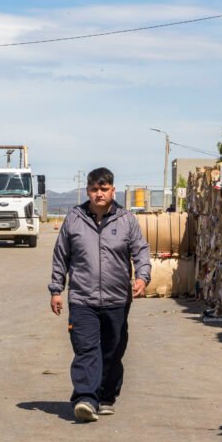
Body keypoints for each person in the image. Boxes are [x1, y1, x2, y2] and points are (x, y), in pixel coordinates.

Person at [48, 167, 151, 423]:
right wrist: (56, 289)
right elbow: (61, 255)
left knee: (113, 350)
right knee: (86, 348)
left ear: (113, 190)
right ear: (88, 191)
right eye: (94, 189)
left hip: (117, 298)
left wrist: (142, 276)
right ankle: (85, 398)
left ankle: (106, 396)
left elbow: (141, 251)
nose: (99, 194)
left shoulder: (126, 220)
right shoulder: (74, 219)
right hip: (82, 298)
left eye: (104, 189)